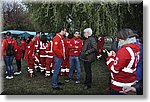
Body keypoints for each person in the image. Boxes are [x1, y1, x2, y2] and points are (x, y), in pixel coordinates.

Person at [106, 28, 140, 95]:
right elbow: (127, 61)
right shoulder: (136, 48)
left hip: (119, 85)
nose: (119, 41)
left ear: (124, 38)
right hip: (130, 82)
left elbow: (114, 69)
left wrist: (110, 57)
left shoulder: (124, 50)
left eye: (119, 39)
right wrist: (117, 57)